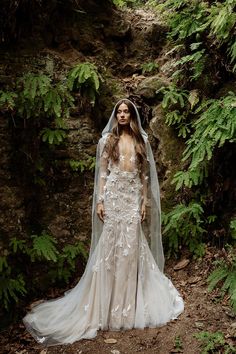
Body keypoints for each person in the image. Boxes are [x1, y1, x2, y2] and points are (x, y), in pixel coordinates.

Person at [23, 98, 184, 346]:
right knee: (110, 250)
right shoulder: (106, 141)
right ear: (115, 115)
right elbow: (103, 173)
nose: (121, 115)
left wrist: (144, 203)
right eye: (118, 112)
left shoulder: (142, 141)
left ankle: (128, 307)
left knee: (131, 249)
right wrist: (99, 201)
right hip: (113, 199)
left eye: (126, 112)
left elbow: (143, 176)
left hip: (131, 200)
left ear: (132, 116)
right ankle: (105, 307)